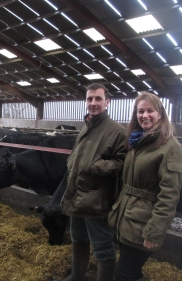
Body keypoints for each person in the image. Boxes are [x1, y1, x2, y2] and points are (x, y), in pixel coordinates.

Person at [108, 91, 182, 281]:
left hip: (144, 225)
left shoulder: (170, 148)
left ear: (160, 113)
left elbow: (169, 196)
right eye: (140, 111)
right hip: (127, 220)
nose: (145, 115)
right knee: (131, 272)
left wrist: (154, 232)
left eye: (150, 111)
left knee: (123, 274)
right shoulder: (137, 141)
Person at [61, 83, 127, 281]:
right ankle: (76, 277)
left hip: (96, 200)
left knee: (103, 248)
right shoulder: (87, 126)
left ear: (107, 102)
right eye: (90, 99)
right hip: (76, 194)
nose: (93, 103)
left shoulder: (117, 131)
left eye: (98, 99)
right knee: (78, 239)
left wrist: (96, 165)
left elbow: (123, 164)